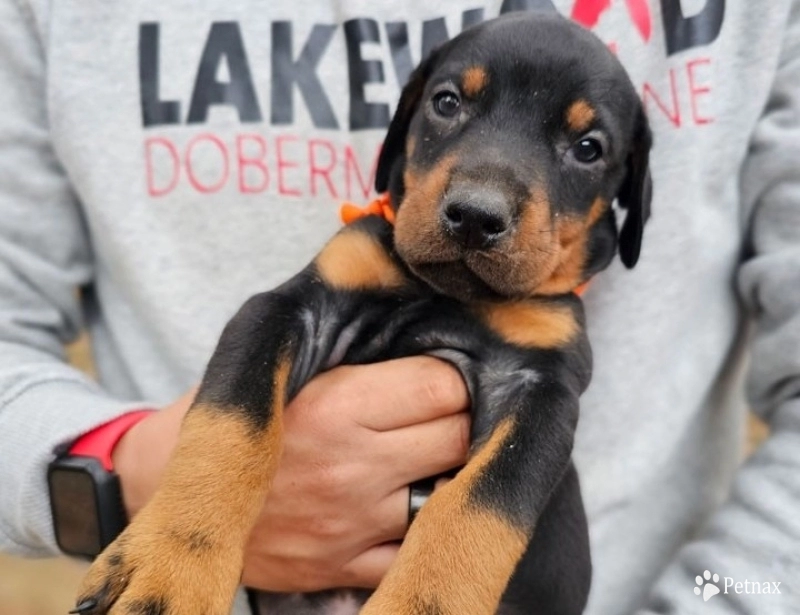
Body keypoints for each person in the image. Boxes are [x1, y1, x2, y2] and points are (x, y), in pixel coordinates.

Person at [0, 1, 798, 613]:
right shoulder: (368, 250)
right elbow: (270, 326)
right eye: (452, 104)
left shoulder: (548, 317)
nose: (483, 193)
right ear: (404, 127)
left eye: (585, 149)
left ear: (625, 205)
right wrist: (139, 482)